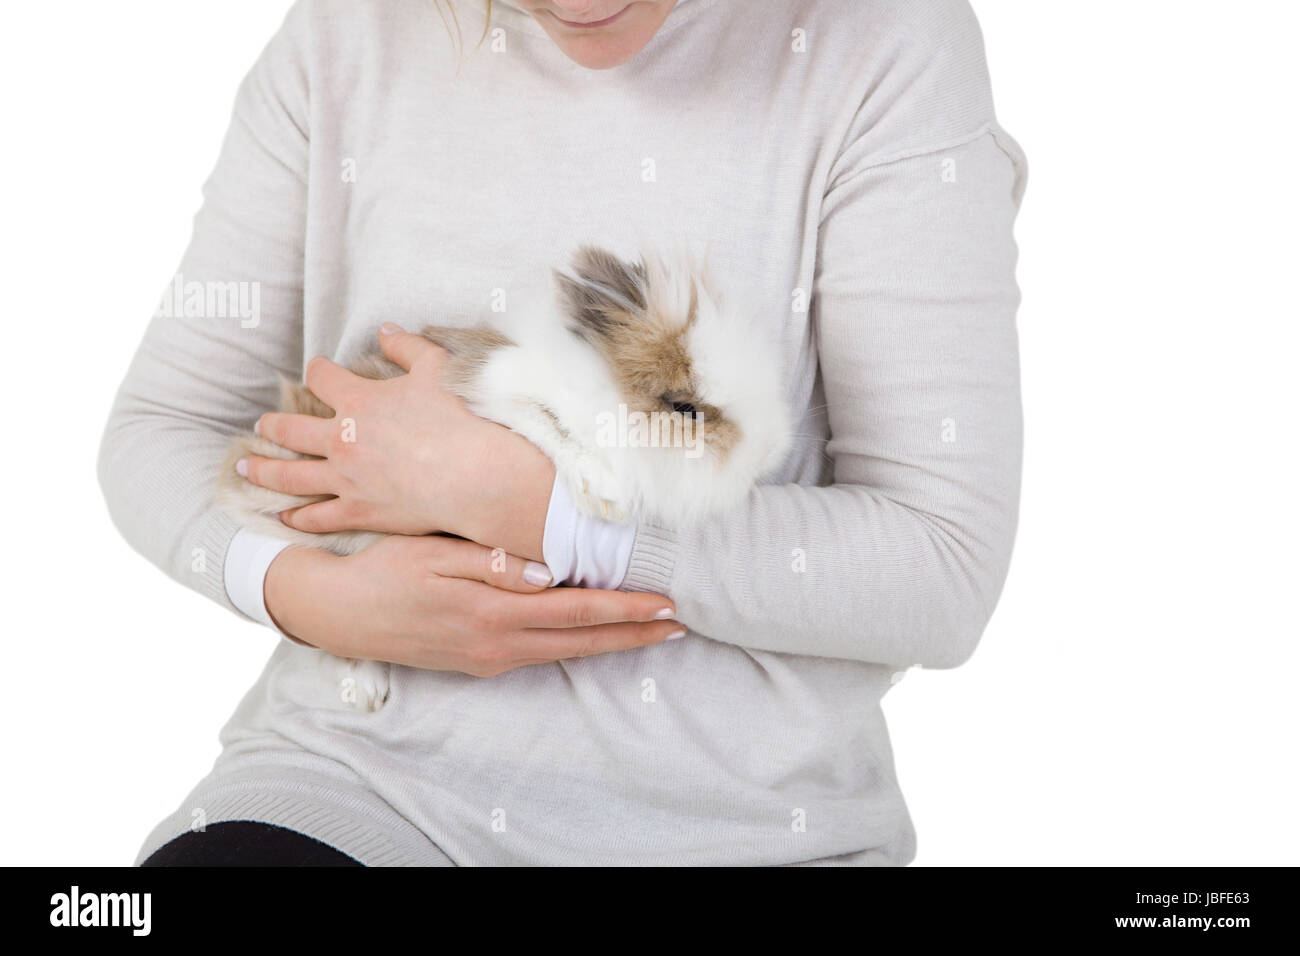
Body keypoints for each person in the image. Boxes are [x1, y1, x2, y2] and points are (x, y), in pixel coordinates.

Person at [100, 0, 1027, 866]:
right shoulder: (348, 33)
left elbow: (941, 569)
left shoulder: (882, 42)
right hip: (356, 784)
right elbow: (158, 430)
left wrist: (548, 517)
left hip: (747, 831)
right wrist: (308, 594)